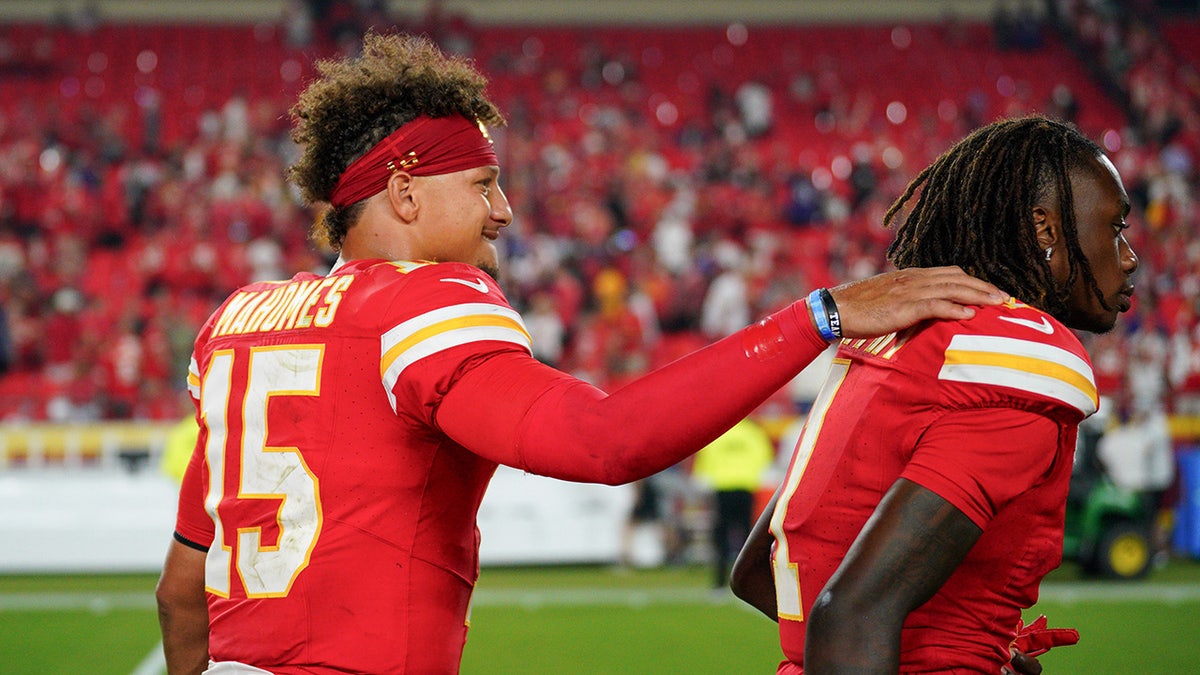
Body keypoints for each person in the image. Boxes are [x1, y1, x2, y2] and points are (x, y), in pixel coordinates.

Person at [154, 32, 1008, 675]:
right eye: (483, 184)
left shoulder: (242, 319)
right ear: (405, 191)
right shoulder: (421, 302)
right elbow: (603, 442)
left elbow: (180, 587)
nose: (505, 211)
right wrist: (819, 315)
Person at [730, 114, 1139, 674]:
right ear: (1046, 230)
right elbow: (851, 615)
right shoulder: (1017, 355)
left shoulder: (896, 337)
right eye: (1115, 228)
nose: (1129, 256)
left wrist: (961, 632)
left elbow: (758, 573)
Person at [692, 416, 775, 588]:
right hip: (745, 489)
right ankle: (748, 582)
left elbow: (704, 464)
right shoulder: (753, 433)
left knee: (721, 537)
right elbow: (765, 461)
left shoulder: (718, 434)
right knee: (747, 538)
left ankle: (719, 583)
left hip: (722, 490)